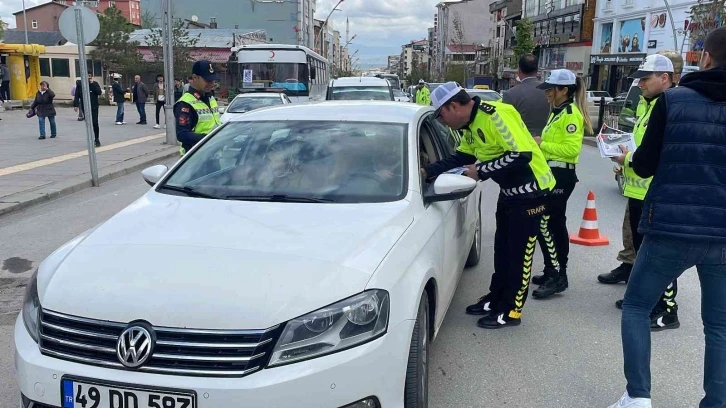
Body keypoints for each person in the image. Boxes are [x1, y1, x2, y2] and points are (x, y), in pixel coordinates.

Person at [607, 27, 726, 408]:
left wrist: (627, 159)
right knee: (720, 326)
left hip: (670, 227)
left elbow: (642, 166)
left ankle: (638, 397)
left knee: (638, 306)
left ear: (705, 57)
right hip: (723, 238)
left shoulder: (673, 102)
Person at [421, 82, 556, 329]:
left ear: (453, 106)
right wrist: (427, 171)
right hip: (510, 192)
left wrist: (480, 171)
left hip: (532, 193)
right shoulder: (471, 125)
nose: (442, 122)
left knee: (518, 255)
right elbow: (461, 157)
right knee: (502, 251)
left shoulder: (496, 115)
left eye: (441, 116)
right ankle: (496, 299)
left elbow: (521, 154)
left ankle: (512, 310)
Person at [608, 49, 685, 318]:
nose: (640, 83)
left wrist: (628, 158)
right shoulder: (649, 103)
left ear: (665, 78)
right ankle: (646, 300)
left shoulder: (670, 105)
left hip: (656, 190)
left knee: (657, 254)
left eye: (645, 78)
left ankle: (666, 309)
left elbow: (658, 153)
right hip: (639, 187)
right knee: (643, 251)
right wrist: (626, 161)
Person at [529, 69, 591, 299]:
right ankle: (550, 270)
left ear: (564, 90)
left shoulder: (570, 114)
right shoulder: (557, 112)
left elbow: (571, 150)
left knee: (551, 225)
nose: (546, 92)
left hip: (561, 177)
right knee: (547, 225)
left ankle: (559, 275)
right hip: (550, 174)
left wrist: (542, 143)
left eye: (550, 88)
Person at [174, 60, 222, 156]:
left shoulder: (210, 98)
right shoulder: (185, 103)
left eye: (213, 80)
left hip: (213, 155)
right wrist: (209, 138)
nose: (211, 83)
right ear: (195, 77)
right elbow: (182, 134)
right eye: (207, 80)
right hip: (195, 158)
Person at [502, 54, 550, 137]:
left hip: (521, 142)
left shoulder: (510, 94)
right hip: (547, 141)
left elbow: (506, 124)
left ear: (519, 71)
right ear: (537, 70)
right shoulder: (549, 91)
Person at [73, 73, 103, 147]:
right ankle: (90, 138)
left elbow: (99, 92)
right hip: (85, 107)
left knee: (95, 122)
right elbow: (77, 95)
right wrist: (75, 105)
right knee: (88, 123)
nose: (88, 78)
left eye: (90, 76)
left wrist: (92, 84)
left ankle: (96, 138)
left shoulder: (95, 84)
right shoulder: (80, 85)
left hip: (94, 106)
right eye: (87, 76)